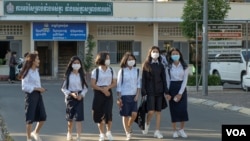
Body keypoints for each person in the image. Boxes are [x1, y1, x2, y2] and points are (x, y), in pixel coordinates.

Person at [141, 46, 168, 139]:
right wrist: (143, 91)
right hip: (150, 91)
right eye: (154, 51)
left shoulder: (161, 65)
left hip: (159, 91)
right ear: (150, 53)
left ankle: (157, 131)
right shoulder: (146, 64)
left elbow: (164, 79)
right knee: (151, 111)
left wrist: (166, 91)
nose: (155, 53)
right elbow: (143, 79)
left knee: (158, 112)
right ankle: (146, 123)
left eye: (157, 51)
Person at [18, 52, 47, 141]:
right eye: (37, 59)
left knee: (43, 117)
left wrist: (41, 89)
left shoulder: (36, 71)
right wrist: (37, 89)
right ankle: (28, 138)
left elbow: (37, 84)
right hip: (30, 96)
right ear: (33, 61)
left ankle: (35, 132)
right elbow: (24, 87)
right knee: (30, 118)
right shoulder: (27, 72)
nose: (39, 60)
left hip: (38, 95)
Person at [90, 51, 117, 141]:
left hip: (108, 93)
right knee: (99, 114)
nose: (108, 60)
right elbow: (93, 84)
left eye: (109, 58)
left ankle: (108, 132)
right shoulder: (96, 71)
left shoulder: (111, 70)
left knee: (108, 113)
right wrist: (102, 90)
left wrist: (107, 88)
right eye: (107, 58)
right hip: (98, 93)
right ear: (101, 59)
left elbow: (114, 82)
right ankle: (101, 134)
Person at [61, 56, 88, 141]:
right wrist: (71, 94)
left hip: (79, 97)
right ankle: (69, 133)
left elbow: (85, 88)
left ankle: (78, 136)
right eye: (74, 63)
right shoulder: (68, 75)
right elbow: (63, 88)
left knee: (79, 118)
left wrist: (82, 95)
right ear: (71, 64)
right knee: (70, 118)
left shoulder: (81, 75)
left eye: (78, 63)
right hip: (70, 97)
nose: (76, 65)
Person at [116, 52, 141, 140]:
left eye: (132, 59)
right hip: (124, 95)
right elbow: (118, 85)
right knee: (125, 115)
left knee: (134, 114)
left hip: (134, 95)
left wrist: (137, 95)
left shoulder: (137, 70)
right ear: (125, 61)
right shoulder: (122, 71)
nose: (131, 61)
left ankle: (129, 126)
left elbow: (138, 84)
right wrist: (119, 98)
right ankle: (127, 132)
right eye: (129, 59)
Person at [165, 48, 189, 138]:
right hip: (172, 87)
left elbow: (185, 80)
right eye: (173, 54)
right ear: (171, 56)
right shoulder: (168, 67)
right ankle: (174, 130)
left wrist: (180, 93)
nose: (175, 55)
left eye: (177, 53)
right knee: (174, 110)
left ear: (180, 55)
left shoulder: (184, 66)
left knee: (183, 110)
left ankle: (181, 129)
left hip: (182, 88)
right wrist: (167, 93)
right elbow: (167, 81)